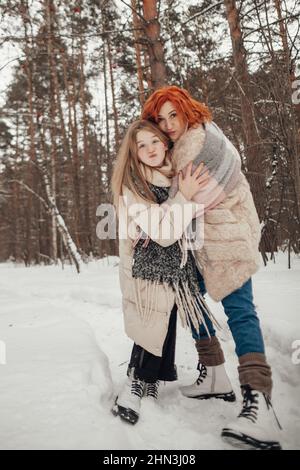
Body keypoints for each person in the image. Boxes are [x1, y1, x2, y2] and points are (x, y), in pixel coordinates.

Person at [141, 85, 282, 450]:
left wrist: (163, 215)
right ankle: (215, 373)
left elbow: (183, 203)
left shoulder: (199, 144)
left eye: (175, 115)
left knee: (239, 310)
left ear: (187, 111)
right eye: (161, 119)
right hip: (202, 240)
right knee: (188, 296)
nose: (169, 124)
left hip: (227, 234)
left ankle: (259, 401)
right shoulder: (184, 145)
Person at [110, 119, 219, 425]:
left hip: (174, 267)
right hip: (142, 268)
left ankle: (151, 378)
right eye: (141, 145)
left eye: (154, 141)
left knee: (164, 317)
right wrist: (183, 196)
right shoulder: (134, 182)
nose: (149, 150)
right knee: (150, 320)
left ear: (165, 142)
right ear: (134, 153)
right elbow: (164, 232)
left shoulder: (173, 175)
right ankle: (135, 381)